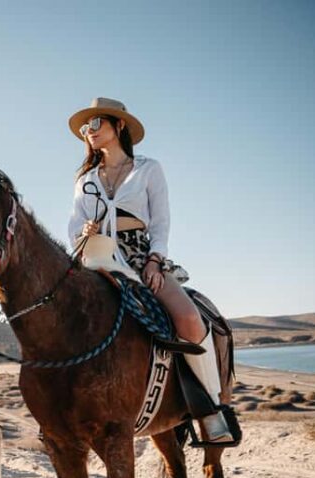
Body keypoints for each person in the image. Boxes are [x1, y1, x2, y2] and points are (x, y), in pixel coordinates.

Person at [67, 98, 233, 443]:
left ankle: (213, 409)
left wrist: (156, 260)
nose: (90, 132)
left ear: (120, 126)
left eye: (96, 123)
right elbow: (73, 226)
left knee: (188, 318)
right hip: (95, 259)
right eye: (86, 128)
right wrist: (83, 232)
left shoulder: (148, 169)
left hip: (140, 257)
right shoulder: (85, 179)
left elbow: (161, 221)